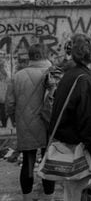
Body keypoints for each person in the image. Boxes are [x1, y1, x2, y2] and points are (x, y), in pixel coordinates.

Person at [49, 34, 91, 201]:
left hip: (67, 149)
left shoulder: (70, 76)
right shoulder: (86, 81)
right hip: (80, 153)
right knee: (80, 194)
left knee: (71, 194)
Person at [6, 44, 54, 201]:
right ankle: (49, 197)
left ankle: (27, 198)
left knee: (28, 161)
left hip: (25, 124)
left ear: (30, 57)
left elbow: (10, 104)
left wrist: (15, 120)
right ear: (44, 55)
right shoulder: (52, 73)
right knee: (49, 162)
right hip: (48, 125)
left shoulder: (17, 76)